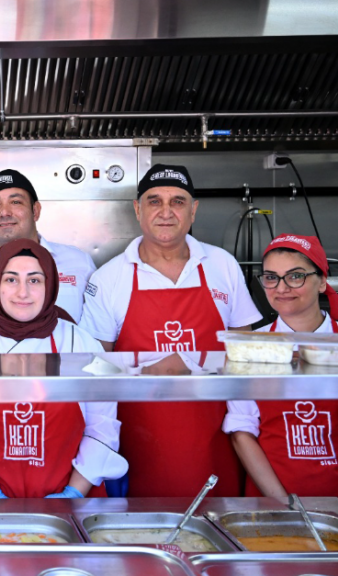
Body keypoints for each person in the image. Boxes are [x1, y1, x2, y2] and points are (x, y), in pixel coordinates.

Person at [80, 164, 262, 498]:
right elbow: (96, 373)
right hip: (138, 443)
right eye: (154, 201)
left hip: (217, 438)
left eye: (178, 201)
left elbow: (245, 357)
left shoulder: (223, 266)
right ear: (137, 209)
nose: (166, 212)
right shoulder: (108, 279)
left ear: (193, 210)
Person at [224, 234, 338, 512]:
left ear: (322, 281)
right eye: (271, 277)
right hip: (272, 506)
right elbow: (242, 431)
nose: (282, 287)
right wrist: (285, 505)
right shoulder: (248, 348)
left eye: (295, 276)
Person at [0, 238, 126, 499]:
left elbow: (102, 427)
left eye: (34, 280)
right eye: (11, 279)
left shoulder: (80, 343)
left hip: (72, 506)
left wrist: (73, 494)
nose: (23, 292)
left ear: (50, 286)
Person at [0, 169, 97, 328]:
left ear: (35, 211)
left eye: (15, 202)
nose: (4, 212)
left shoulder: (79, 262)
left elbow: (96, 330)